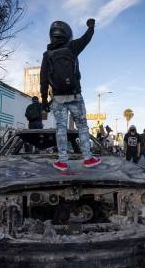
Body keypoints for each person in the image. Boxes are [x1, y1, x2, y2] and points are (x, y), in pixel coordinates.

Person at [40, 18, 101, 171]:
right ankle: (88, 158)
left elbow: (43, 79)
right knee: (82, 126)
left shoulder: (47, 55)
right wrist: (91, 27)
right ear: (67, 34)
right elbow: (86, 39)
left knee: (60, 128)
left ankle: (62, 161)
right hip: (75, 95)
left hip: (58, 98)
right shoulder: (72, 46)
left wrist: (44, 100)